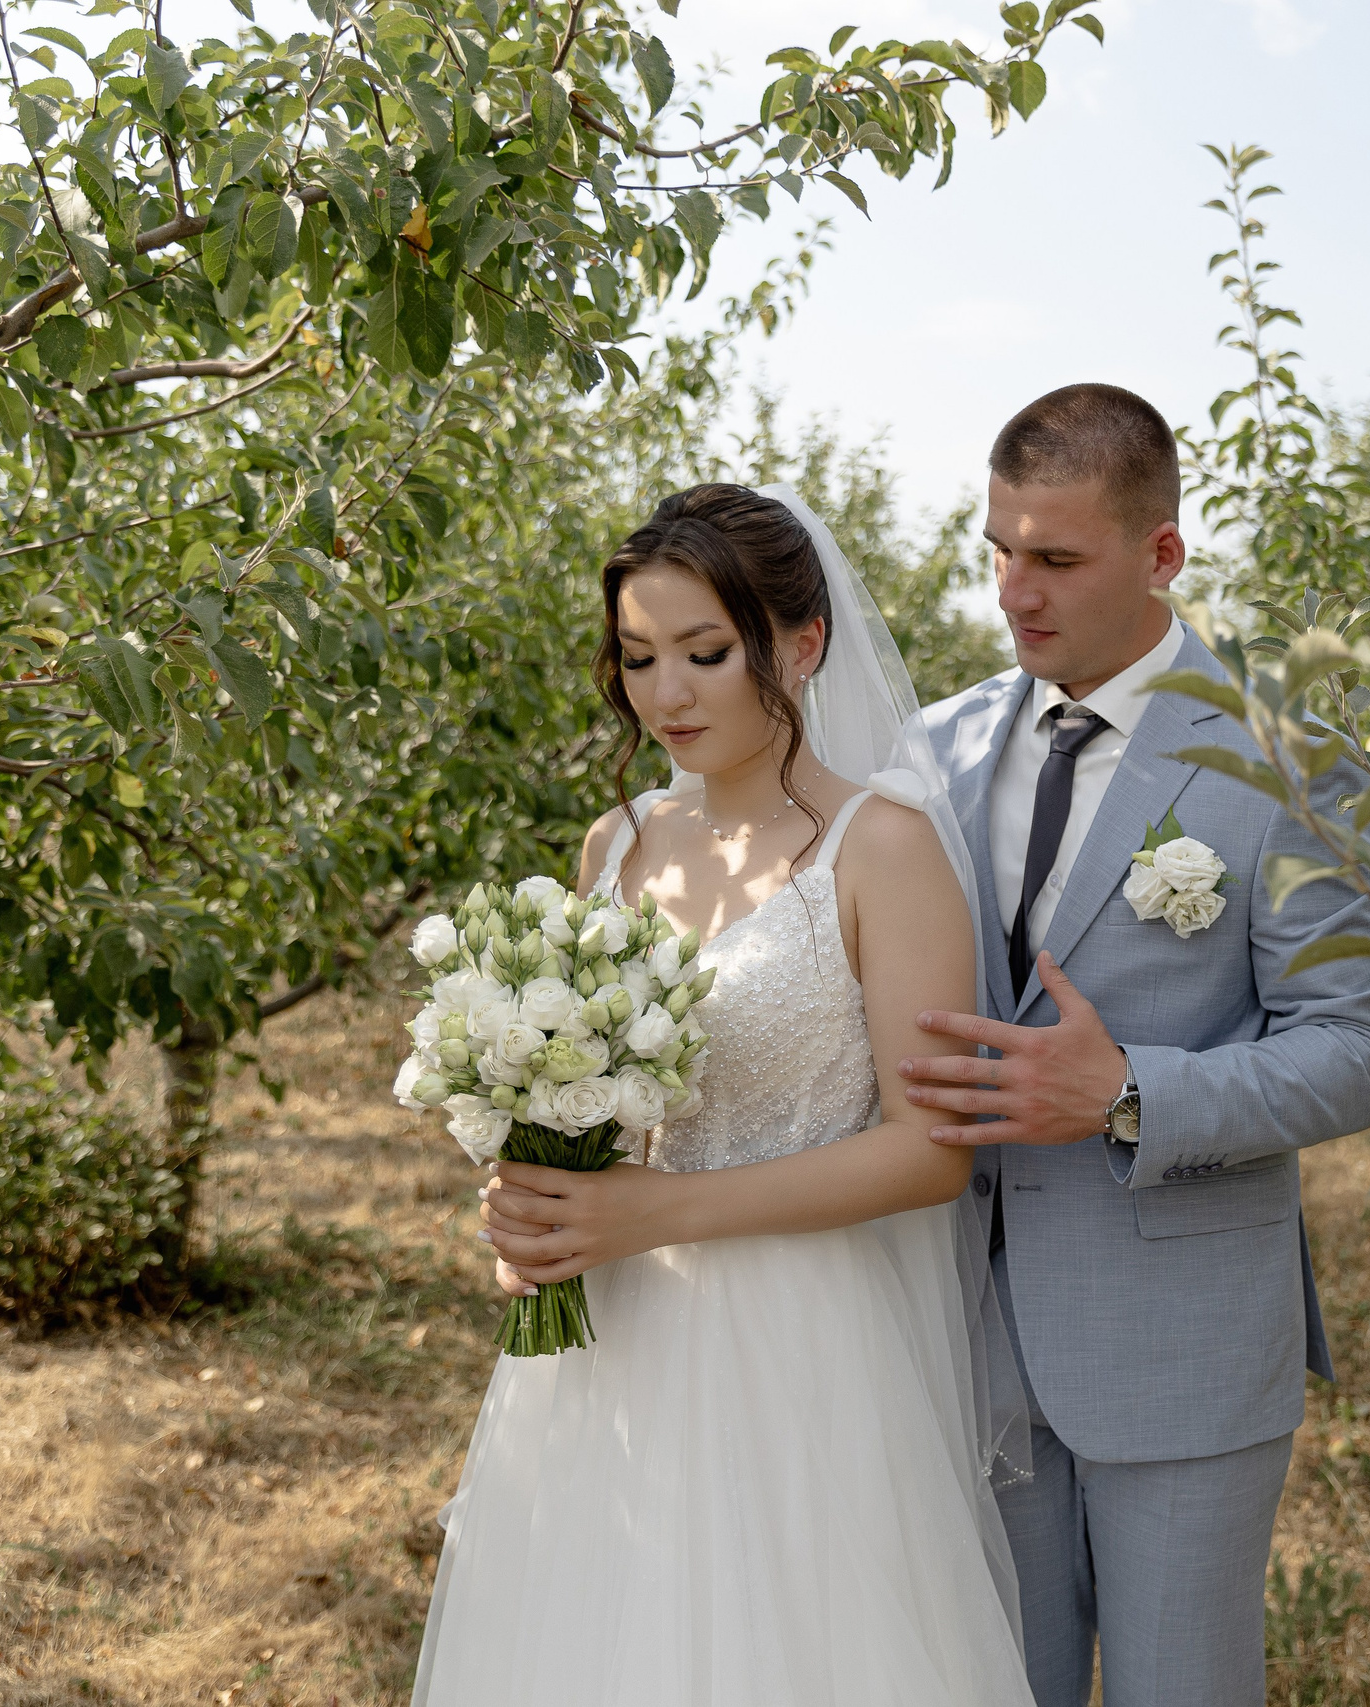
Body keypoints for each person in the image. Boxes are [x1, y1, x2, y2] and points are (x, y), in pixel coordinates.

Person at [413, 484, 1034, 1705]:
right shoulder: (619, 843)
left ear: (800, 646)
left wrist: (656, 1213)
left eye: (705, 652)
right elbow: (585, 1092)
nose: (667, 695)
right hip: (613, 1334)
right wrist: (537, 1198)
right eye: (638, 658)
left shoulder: (882, 847)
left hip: (804, 1334)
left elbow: (929, 1153)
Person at [897, 383, 1370, 1707]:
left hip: (1179, 1347)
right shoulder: (934, 750)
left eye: (1057, 558)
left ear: (1162, 552)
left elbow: (1354, 1047)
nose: (1017, 593)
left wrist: (1125, 1092)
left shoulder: (1282, 759)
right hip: (961, 1332)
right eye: (998, 550)